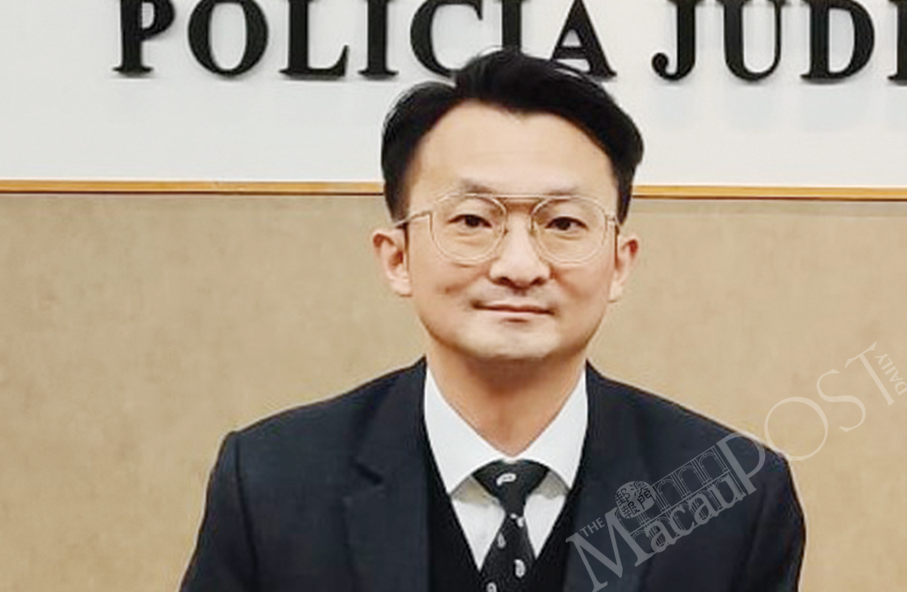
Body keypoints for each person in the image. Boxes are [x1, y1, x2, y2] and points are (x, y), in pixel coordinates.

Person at [180, 49, 805, 592]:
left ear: (619, 262)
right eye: (473, 220)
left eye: (564, 223)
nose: (519, 265)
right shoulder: (271, 482)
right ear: (397, 257)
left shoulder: (730, 497)